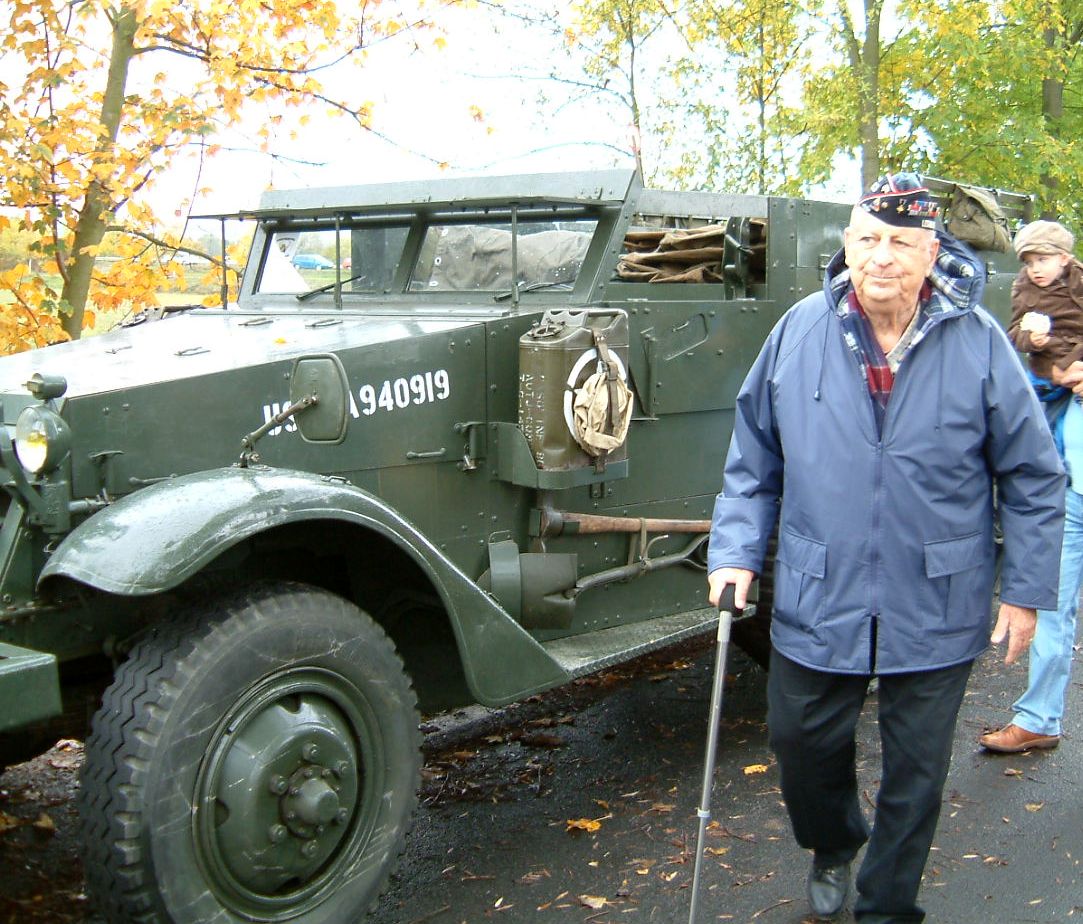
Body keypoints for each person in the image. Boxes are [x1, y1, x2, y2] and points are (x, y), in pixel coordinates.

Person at [707, 173, 1065, 923]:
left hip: (935, 594)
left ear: (931, 252)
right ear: (846, 243)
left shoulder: (978, 343)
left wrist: (1025, 590)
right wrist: (734, 550)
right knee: (800, 744)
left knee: (915, 773)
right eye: (868, 238)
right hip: (818, 587)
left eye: (901, 243)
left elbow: (1032, 475)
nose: (882, 257)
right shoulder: (799, 331)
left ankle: (887, 906)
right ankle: (832, 841)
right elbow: (752, 459)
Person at [981, 223, 1083, 753]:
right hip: (1070, 490)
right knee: (1052, 606)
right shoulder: (1026, 292)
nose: (1038, 266)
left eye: (1047, 257)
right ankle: (1040, 718)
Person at [1006, 220, 1083, 383]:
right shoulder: (1025, 288)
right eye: (1029, 263)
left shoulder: (1079, 278)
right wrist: (1031, 339)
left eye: (1042, 259)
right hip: (1048, 365)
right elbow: (1014, 333)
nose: (1035, 269)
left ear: (1063, 258)